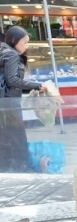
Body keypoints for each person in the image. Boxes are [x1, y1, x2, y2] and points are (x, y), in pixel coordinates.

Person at [0, 26, 45, 173]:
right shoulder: (11, 54)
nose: (26, 46)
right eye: (24, 42)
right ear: (14, 40)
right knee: (17, 137)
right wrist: (37, 86)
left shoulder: (3, 51)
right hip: (9, 104)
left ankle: (8, 167)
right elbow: (12, 80)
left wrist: (29, 88)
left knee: (6, 137)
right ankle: (22, 168)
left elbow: (8, 81)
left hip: (4, 103)